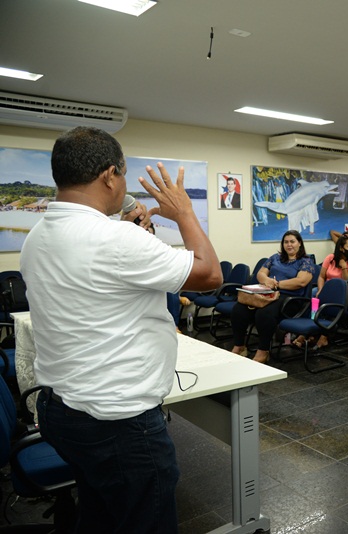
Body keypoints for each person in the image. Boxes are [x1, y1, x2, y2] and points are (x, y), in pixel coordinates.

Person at [21, 126, 222, 532]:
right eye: (124, 176)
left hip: (61, 410)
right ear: (110, 175)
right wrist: (184, 213)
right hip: (118, 422)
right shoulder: (116, 239)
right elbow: (210, 274)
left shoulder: (36, 238)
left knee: (99, 512)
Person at [230, 230, 314, 363]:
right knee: (239, 309)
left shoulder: (306, 261)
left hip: (290, 299)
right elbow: (260, 273)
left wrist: (277, 284)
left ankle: (263, 351)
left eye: (292, 241)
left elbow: (301, 281)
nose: (289, 245)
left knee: (264, 314)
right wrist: (266, 280)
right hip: (269, 293)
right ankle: (240, 346)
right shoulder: (275, 257)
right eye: (286, 242)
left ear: (299, 244)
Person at [312, 234, 348, 350]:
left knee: (334, 301)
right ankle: (312, 326)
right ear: (341, 248)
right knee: (314, 294)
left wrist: (344, 267)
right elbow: (321, 277)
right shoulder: (330, 258)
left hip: (342, 293)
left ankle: (324, 336)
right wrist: (321, 290)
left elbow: (347, 282)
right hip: (326, 288)